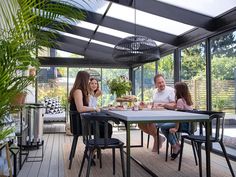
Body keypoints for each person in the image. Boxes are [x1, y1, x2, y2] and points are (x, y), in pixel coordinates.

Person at [68, 71, 112, 137]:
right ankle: (99, 145)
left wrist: (95, 99)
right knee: (107, 126)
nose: (88, 81)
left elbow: (86, 107)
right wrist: (94, 108)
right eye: (88, 79)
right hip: (79, 125)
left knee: (106, 125)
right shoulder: (78, 91)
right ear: (84, 79)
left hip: (82, 121)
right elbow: (80, 109)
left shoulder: (80, 91)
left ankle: (98, 145)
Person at [138, 74, 175, 152]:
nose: (161, 84)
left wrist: (164, 105)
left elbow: (174, 105)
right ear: (155, 84)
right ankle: (158, 137)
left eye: (162, 82)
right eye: (159, 83)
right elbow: (154, 104)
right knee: (140, 124)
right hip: (155, 115)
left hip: (167, 116)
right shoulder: (154, 91)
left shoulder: (170, 90)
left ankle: (157, 140)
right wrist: (145, 104)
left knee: (150, 123)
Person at [161, 82, 193, 160]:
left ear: (179, 90)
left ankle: (175, 146)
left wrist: (176, 128)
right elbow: (175, 107)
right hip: (189, 124)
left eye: (175, 89)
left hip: (184, 125)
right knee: (166, 126)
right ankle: (177, 144)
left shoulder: (180, 101)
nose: (174, 91)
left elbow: (179, 116)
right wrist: (165, 105)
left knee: (163, 127)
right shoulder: (186, 99)